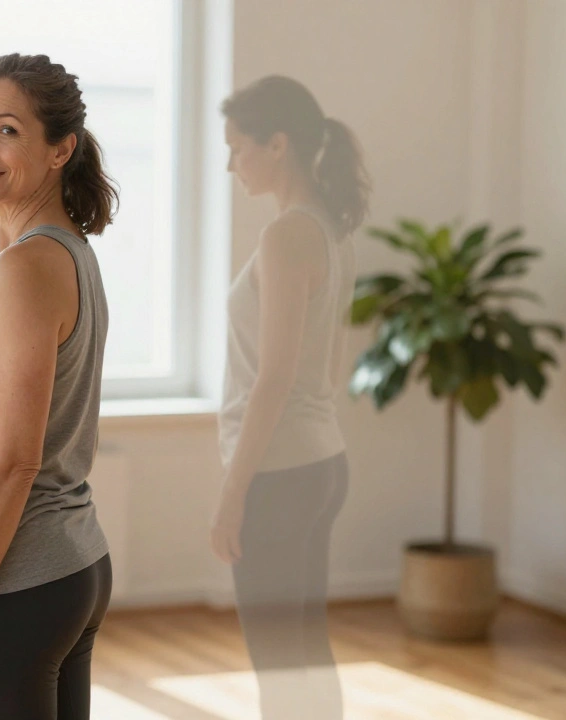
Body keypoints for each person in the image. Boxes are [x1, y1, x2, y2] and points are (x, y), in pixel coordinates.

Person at [0, 52, 119, 720]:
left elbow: (13, 461)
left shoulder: (28, 267)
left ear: (60, 149)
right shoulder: (65, 251)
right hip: (68, 569)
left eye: (5, 130)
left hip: (21, 583)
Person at [211, 74, 372, 720]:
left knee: (278, 661)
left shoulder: (284, 237)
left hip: (278, 476)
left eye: (237, 147)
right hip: (323, 462)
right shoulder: (332, 232)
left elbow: (274, 377)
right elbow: (325, 366)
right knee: (305, 651)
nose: (231, 164)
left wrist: (231, 495)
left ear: (277, 145)